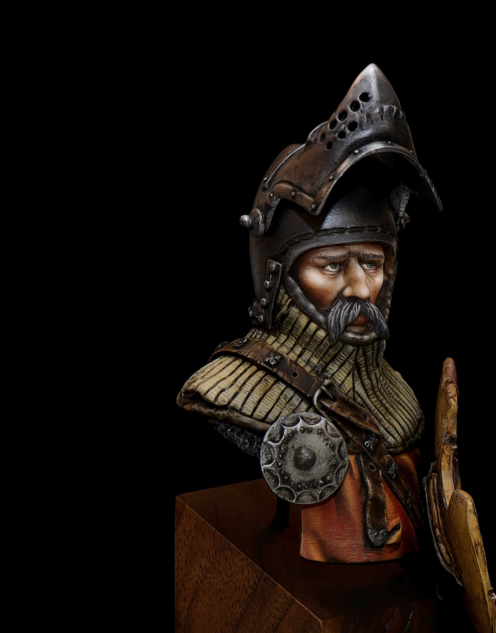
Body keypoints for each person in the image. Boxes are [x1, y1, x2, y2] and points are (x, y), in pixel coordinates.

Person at [178, 63, 442, 563]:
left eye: (372, 263)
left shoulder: (402, 398)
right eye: (332, 265)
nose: (361, 288)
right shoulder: (224, 386)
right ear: (280, 275)